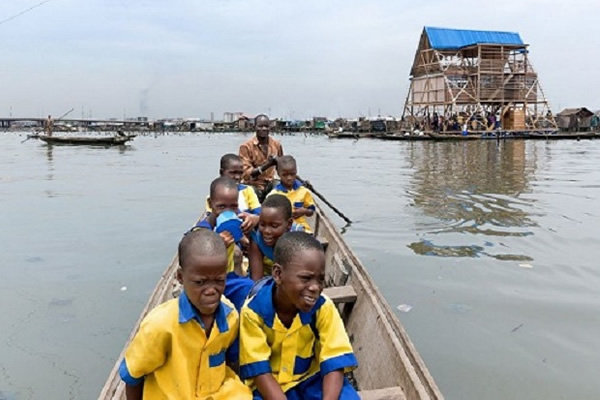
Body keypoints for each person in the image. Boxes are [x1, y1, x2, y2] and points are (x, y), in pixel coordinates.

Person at [119, 229, 251, 400]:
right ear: (181, 277)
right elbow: (133, 375)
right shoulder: (160, 325)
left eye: (219, 281)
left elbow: (232, 361)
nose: (211, 291)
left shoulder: (230, 316)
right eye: (200, 282)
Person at [239, 231, 359, 400]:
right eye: (306, 278)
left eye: (320, 280)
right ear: (278, 274)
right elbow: (260, 372)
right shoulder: (253, 313)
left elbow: (334, 360)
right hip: (270, 385)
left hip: (312, 379)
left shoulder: (323, 307)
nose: (315, 287)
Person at [248, 194, 304, 281]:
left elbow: (296, 277)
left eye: (274, 226)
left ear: (289, 224)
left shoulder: (297, 240)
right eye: (262, 224)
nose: (266, 231)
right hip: (266, 280)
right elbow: (256, 279)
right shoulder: (257, 238)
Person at [205, 154, 261, 233]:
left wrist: (254, 218)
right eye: (233, 173)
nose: (237, 177)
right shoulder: (215, 195)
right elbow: (212, 218)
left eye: (240, 173)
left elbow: (258, 212)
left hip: (246, 229)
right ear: (221, 172)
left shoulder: (247, 190)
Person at [239, 114, 284, 201]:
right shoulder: (246, 147)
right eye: (260, 126)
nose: (264, 129)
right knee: (249, 193)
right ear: (254, 127)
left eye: (266, 126)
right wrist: (268, 165)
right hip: (253, 185)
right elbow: (246, 174)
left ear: (270, 128)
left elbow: (282, 168)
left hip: (270, 183)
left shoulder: (276, 145)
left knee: (281, 188)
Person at [266, 155, 315, 233]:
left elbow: (311, 210)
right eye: (285, 175)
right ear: (278, 174)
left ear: (296, 172)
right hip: (282, 229)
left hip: (301, 227)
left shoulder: (304, 191)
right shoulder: (274, 195)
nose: (289, 178)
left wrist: (304, 211)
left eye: (292, 174)